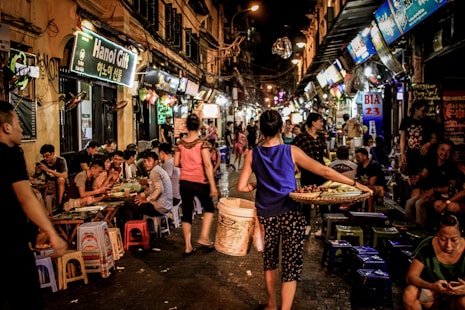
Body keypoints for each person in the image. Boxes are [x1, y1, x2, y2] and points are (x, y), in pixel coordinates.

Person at [237, 110, 372, 310]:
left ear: (261, 129)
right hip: (291, 213)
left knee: (270, 261)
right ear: (281, 128)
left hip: (266, 215)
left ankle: (272, 305)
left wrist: (259, 183)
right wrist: (355, 183)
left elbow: (241, 187)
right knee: (291, 265)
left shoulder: (253, 154)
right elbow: (324, 171)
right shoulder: (291, 151)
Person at [0, 100, 67, 309]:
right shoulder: (10, 154)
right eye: (19, 121)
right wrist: (51, 232)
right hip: (10, 245)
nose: (21, 128)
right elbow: (26, 197)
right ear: (6, 126)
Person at [174, 113, 218, 255]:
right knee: (209, 207)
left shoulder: (180, 144)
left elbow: (176, 163)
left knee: (186, 212)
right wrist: (212, 185)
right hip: (199, 181)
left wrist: (186, 164)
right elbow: (207, 164)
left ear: (186, 126)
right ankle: (204, 237)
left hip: (184, 182)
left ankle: (187, 246)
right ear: (199, 126)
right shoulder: (202, 144)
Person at [403, 212, 465, 310]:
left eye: (454, 240)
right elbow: (410, 277)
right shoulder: (427, 245)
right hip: (431, 296)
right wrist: (431, 285)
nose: (448, 245)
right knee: (410, 293)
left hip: (457, 299)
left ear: (461, 233)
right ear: (437, 233)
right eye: (443, 239)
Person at [405, 140, 458, 229]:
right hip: (427, 193)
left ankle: (421, 231)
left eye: (448, 151)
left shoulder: (452, 167)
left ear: (451, 154)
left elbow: (451, 187)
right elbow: (423, 175)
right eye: (443, 150)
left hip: (440, 195)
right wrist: (417, 178)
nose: (444, 153)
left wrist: (434, 190)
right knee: (409, 203)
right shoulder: (432, 161)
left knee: (420, 203)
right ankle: (410, 229)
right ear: (438, 151)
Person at [292, 112, 328, 234]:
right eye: (320, 121)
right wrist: (296, 165)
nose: (322, 123)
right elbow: (293, 152)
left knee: (323, 199)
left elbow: (324, 153)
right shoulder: (301, 138)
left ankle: (323, 226)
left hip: (321, 171)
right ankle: (306, 224)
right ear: (313, 123)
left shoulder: (322, 136)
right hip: (307, 172)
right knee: (307, 198)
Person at [119, 151, 173, 228]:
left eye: (149, 161)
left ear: (156, 162)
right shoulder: (158, 170)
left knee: (128, 203)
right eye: (145, 161)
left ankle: (133, 230)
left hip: (159, 207)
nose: (146, 163)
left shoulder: (154, 171)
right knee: (136, 201)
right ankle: (141, 227)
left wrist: (147, 199)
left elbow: (159, 190)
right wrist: (142, 195)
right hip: (166, 206)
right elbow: (153, 189)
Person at [399, 99, 438, 177]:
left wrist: (428, 144)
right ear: (416, 109)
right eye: (423, 111)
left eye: (426, 111)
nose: (424, 113)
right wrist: (402, 153)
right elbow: (402, 138)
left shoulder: (429, 122)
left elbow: (435, 138)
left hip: (424, 156)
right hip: (411, 155)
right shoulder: (406, 121)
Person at [33, 143, 68, 209]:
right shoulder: (43, 162)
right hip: (49, 184)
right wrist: (37, 173)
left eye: (47, 156)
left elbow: (65, 175)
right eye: (43, 156)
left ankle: (60, 205)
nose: (45, 158)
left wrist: (48, 170)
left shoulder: (61, 161)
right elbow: (35, 178)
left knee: (60, 179)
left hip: (60, 183)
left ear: (53, 154)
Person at [354, 147, 386, 212]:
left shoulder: (374, 165)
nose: (357, 159)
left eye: (358, 157)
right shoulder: (359, 166)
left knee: (369, 190)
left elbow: (372, 183)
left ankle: (369, 211)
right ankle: (357, 210)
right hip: (365, 186)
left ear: (365, 156)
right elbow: (358, 180)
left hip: (378, 188)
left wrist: (360, 185)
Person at [158, 142, 181, 207]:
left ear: (161, 153)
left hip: (172, 198)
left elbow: (166, 180)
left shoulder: (168, 163)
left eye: (159, 154)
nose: (159, 157)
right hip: (178, 195)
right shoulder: (174, 160)